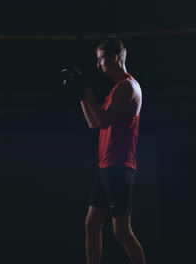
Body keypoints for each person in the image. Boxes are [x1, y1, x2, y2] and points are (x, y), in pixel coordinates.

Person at [67, 36, 146, 264]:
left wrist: (87, 91)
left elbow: (102, 121)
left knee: (122, 232)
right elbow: (94, 122)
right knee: (91, 224)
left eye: (101, 59)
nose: (99, 65)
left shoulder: (128, 87)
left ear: (113, 58)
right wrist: (81, 95)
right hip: (106, 166)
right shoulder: (116, 90)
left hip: (119, 167)